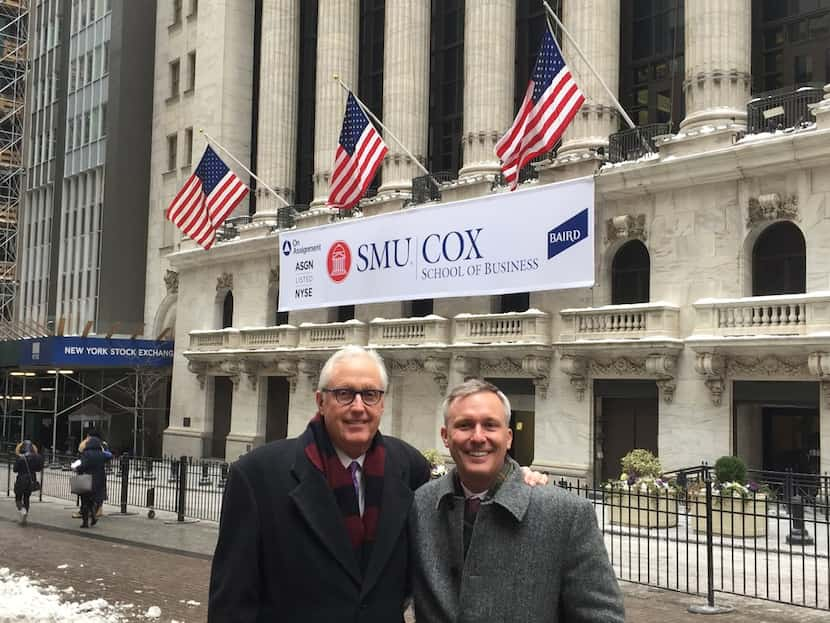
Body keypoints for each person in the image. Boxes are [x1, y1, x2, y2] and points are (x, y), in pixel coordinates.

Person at [208, 346, 431, 622]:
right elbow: (231, 603)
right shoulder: (256, 476)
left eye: (370, 395)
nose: (358, 407)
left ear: (382, 403)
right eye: (344, 394)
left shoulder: (410, 467)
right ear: (321, 401)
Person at [410, 379, 625, 623]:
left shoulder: (567, 514)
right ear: (445, 436)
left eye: (490, 425)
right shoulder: (420, 505)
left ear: (509, 437)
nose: (478, 437)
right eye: (465, 425)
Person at [73, 434, 110, 528]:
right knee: (93, 500)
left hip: (86, 479)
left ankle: (85, 522)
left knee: (85, 501)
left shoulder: (86, 454)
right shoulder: (102, 454)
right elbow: (110, 456)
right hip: (98, 480)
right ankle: (93, 517)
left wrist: (76, 468)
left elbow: (82, 465)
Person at [13, 440, 44, 526]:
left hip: (21, 480)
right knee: (27, 497)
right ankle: (25, 515)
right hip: (31, 480)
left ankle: (22, 511)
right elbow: (39, 468)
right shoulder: (36, 457)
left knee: (18, 498)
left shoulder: (21, 457)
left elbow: (15, 469)